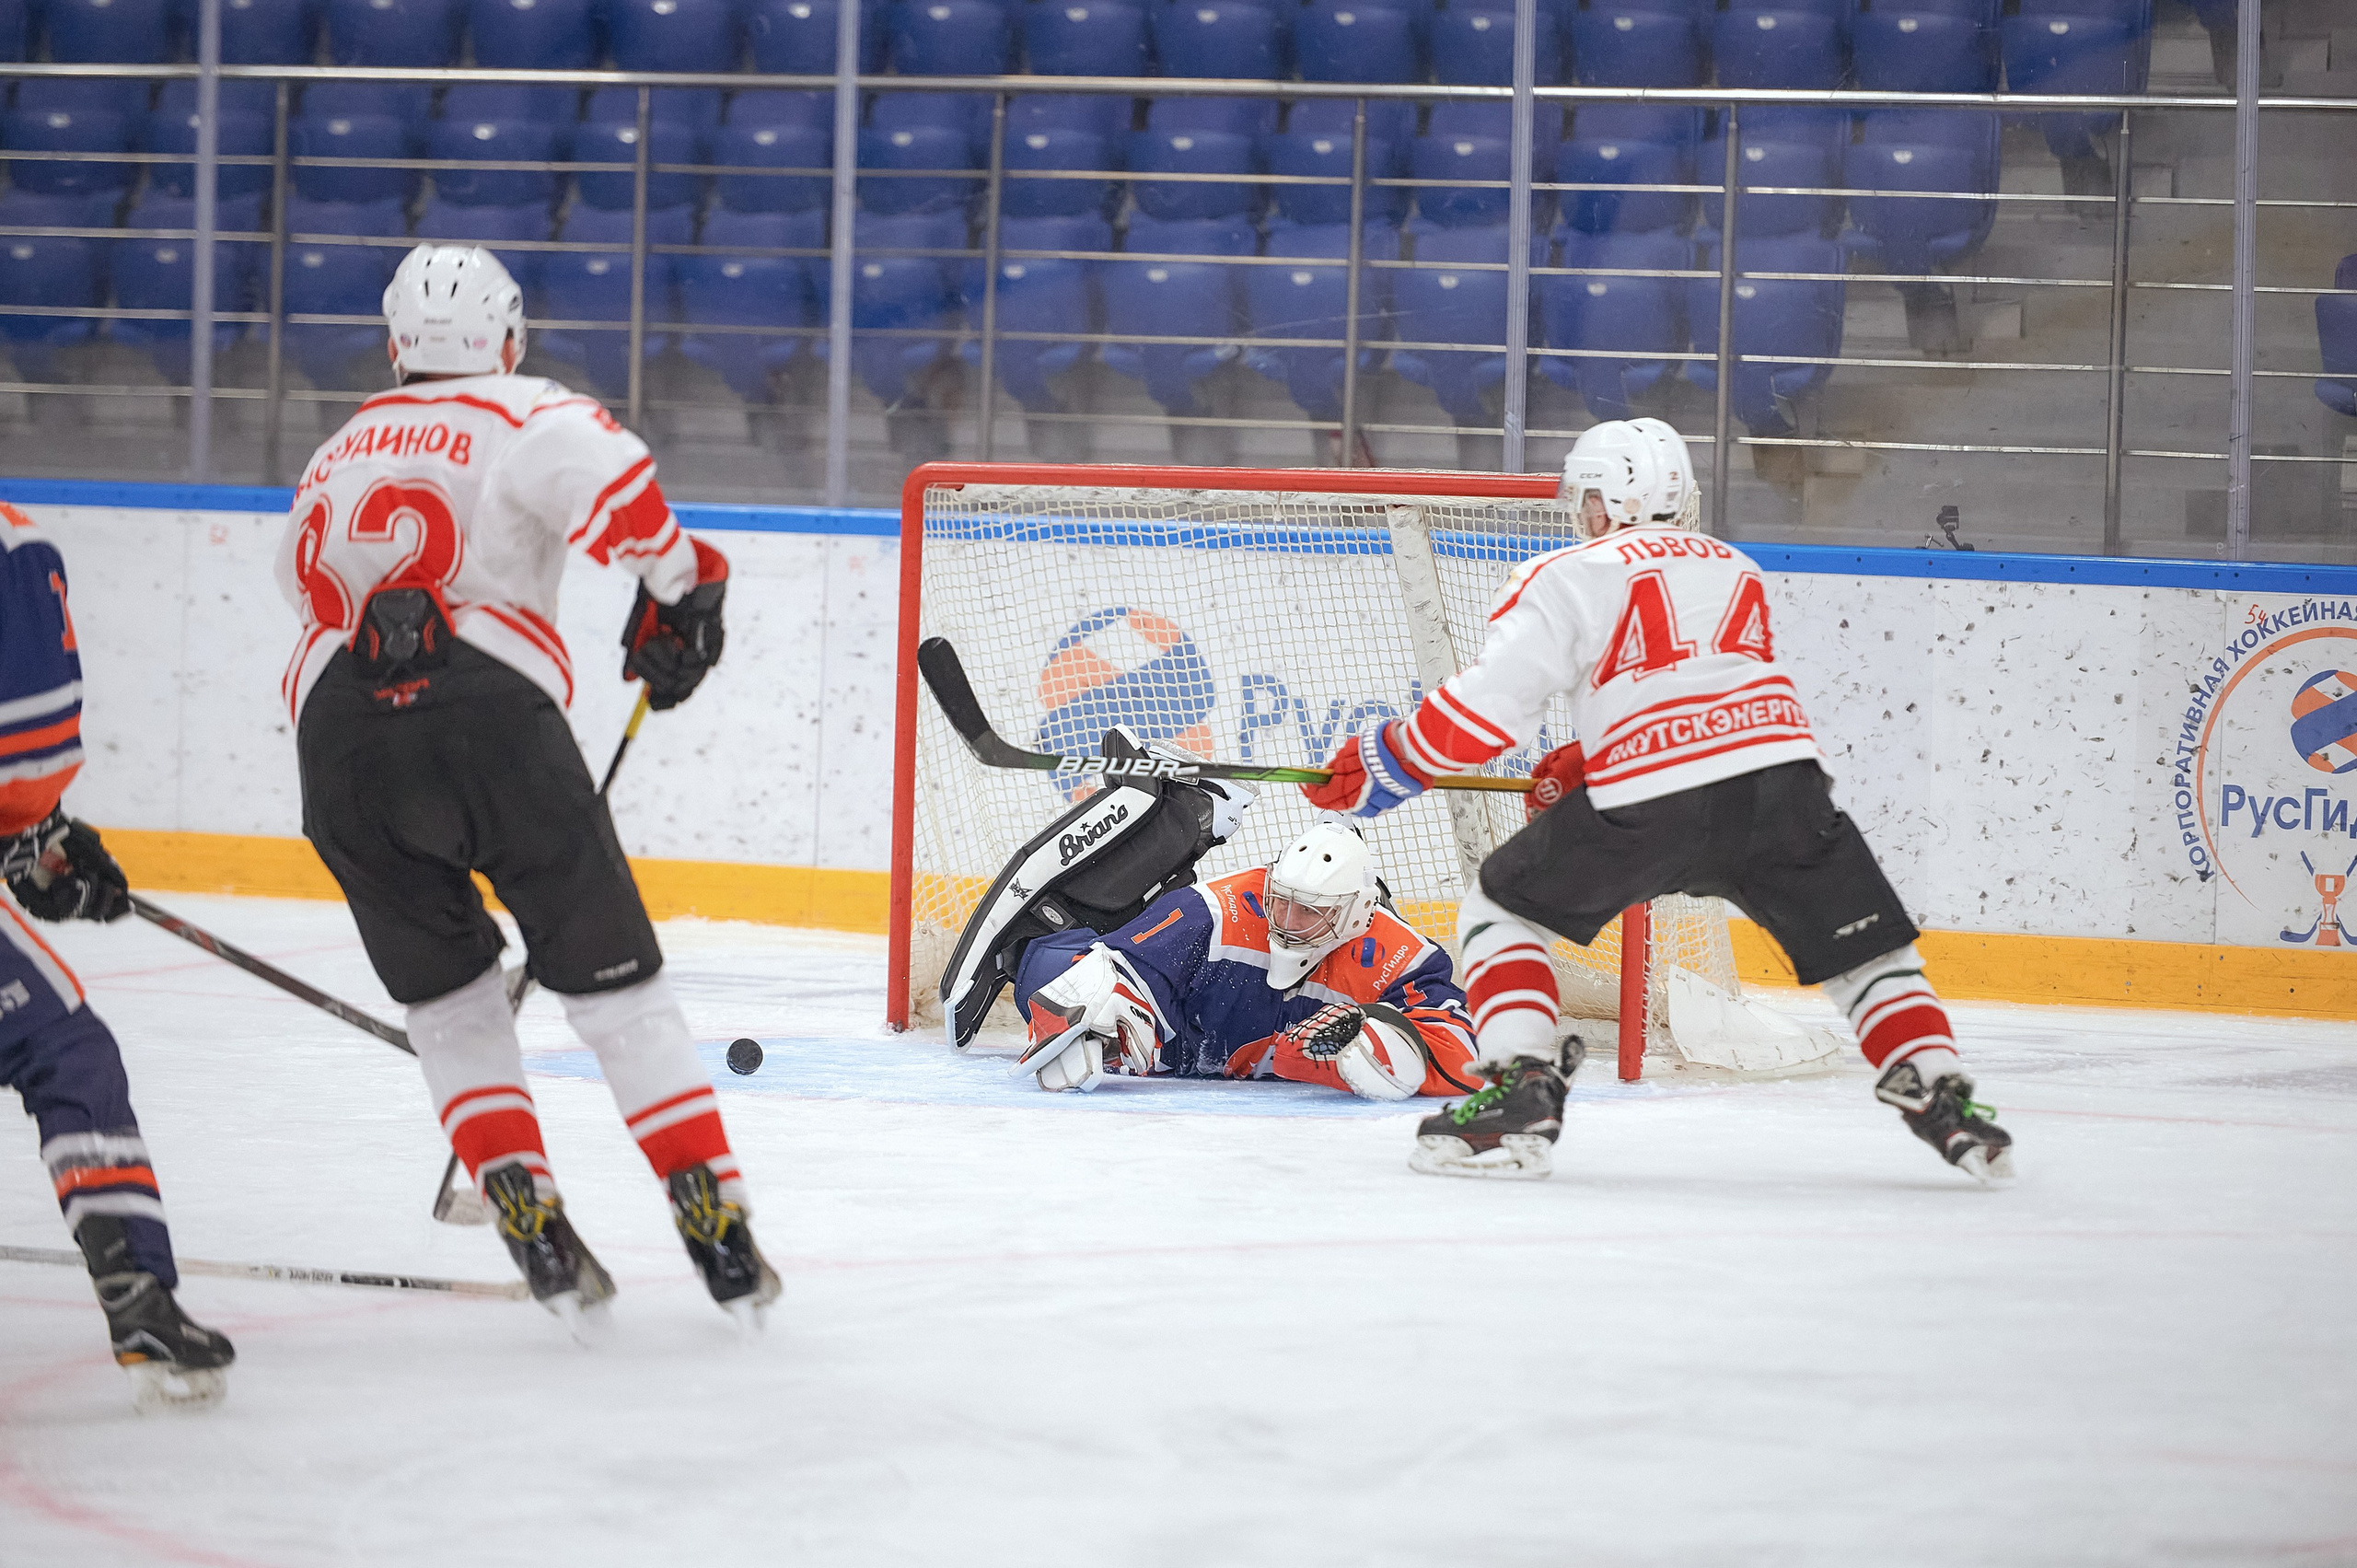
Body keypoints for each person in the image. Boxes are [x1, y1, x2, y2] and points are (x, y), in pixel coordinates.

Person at [1303, 417, 2016, 1183]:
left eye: (1585, 498)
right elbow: (1698, 690)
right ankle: (1942, 1093)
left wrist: (1386, 762)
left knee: (1500, 909)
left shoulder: (1567, 572)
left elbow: (1493, 705)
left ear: (1608, 501)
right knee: (1866, 951)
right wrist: (1590, 753)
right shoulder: (1733, 566)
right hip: (1783, 786)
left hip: (1655, 800)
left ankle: (1521, 1093)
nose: (1581, 514)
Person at [274, 244, 777, 1329]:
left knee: (450, 1006)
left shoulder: (336, 447)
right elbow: (624, 495)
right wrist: (684, 594)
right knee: (618, 995)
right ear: (505, 335)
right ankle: (711, 1213)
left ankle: (523, 1207)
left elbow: (299, 586)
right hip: (485, 714)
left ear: (395, 340)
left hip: (337, 741)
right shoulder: (521, 407)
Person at [0, 499, 235, 1410]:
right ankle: (137, 1293)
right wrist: (32, 833)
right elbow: (22, 748)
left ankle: (138, 1294)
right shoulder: (18, 544)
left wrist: (37, 842)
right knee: (63, 1049)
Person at [1008, 816, 1482, 1103]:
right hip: (1176, 1057)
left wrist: (1391, 1045)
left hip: (1255, 1064)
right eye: (1282, 901)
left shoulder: (1404, 957)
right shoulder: (1214, 910)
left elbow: (1462, 1051)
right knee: (1051, 970)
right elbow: (1125, 966)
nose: (1288, 920)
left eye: (1310, 911)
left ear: (1357, 914)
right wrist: (1095, 1018)